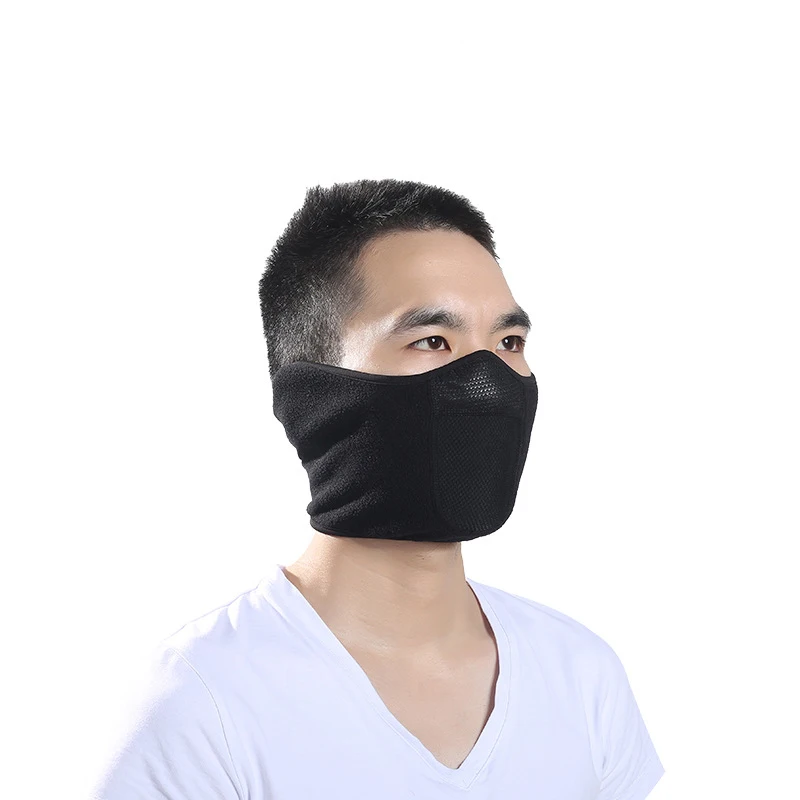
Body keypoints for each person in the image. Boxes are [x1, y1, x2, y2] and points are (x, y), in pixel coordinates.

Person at [89, 179, 665, 799]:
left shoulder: (581, 676)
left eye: (509, 343)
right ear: (314, 394)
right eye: (432, 341)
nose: (489, 382)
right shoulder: (201, 702)